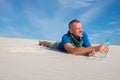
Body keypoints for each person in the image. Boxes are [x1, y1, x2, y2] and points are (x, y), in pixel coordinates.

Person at [39, 19, 109, 57]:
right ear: (71, 30)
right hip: (60, 44)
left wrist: (89, 53)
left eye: (81, 28)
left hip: (76, 46)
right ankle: (41, 42)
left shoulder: (83, 34)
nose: (81, 30)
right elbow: (72, 51)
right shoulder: (65, 37)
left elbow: (88, 48)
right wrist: (95, 48)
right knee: (49, 44)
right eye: (78, 28)